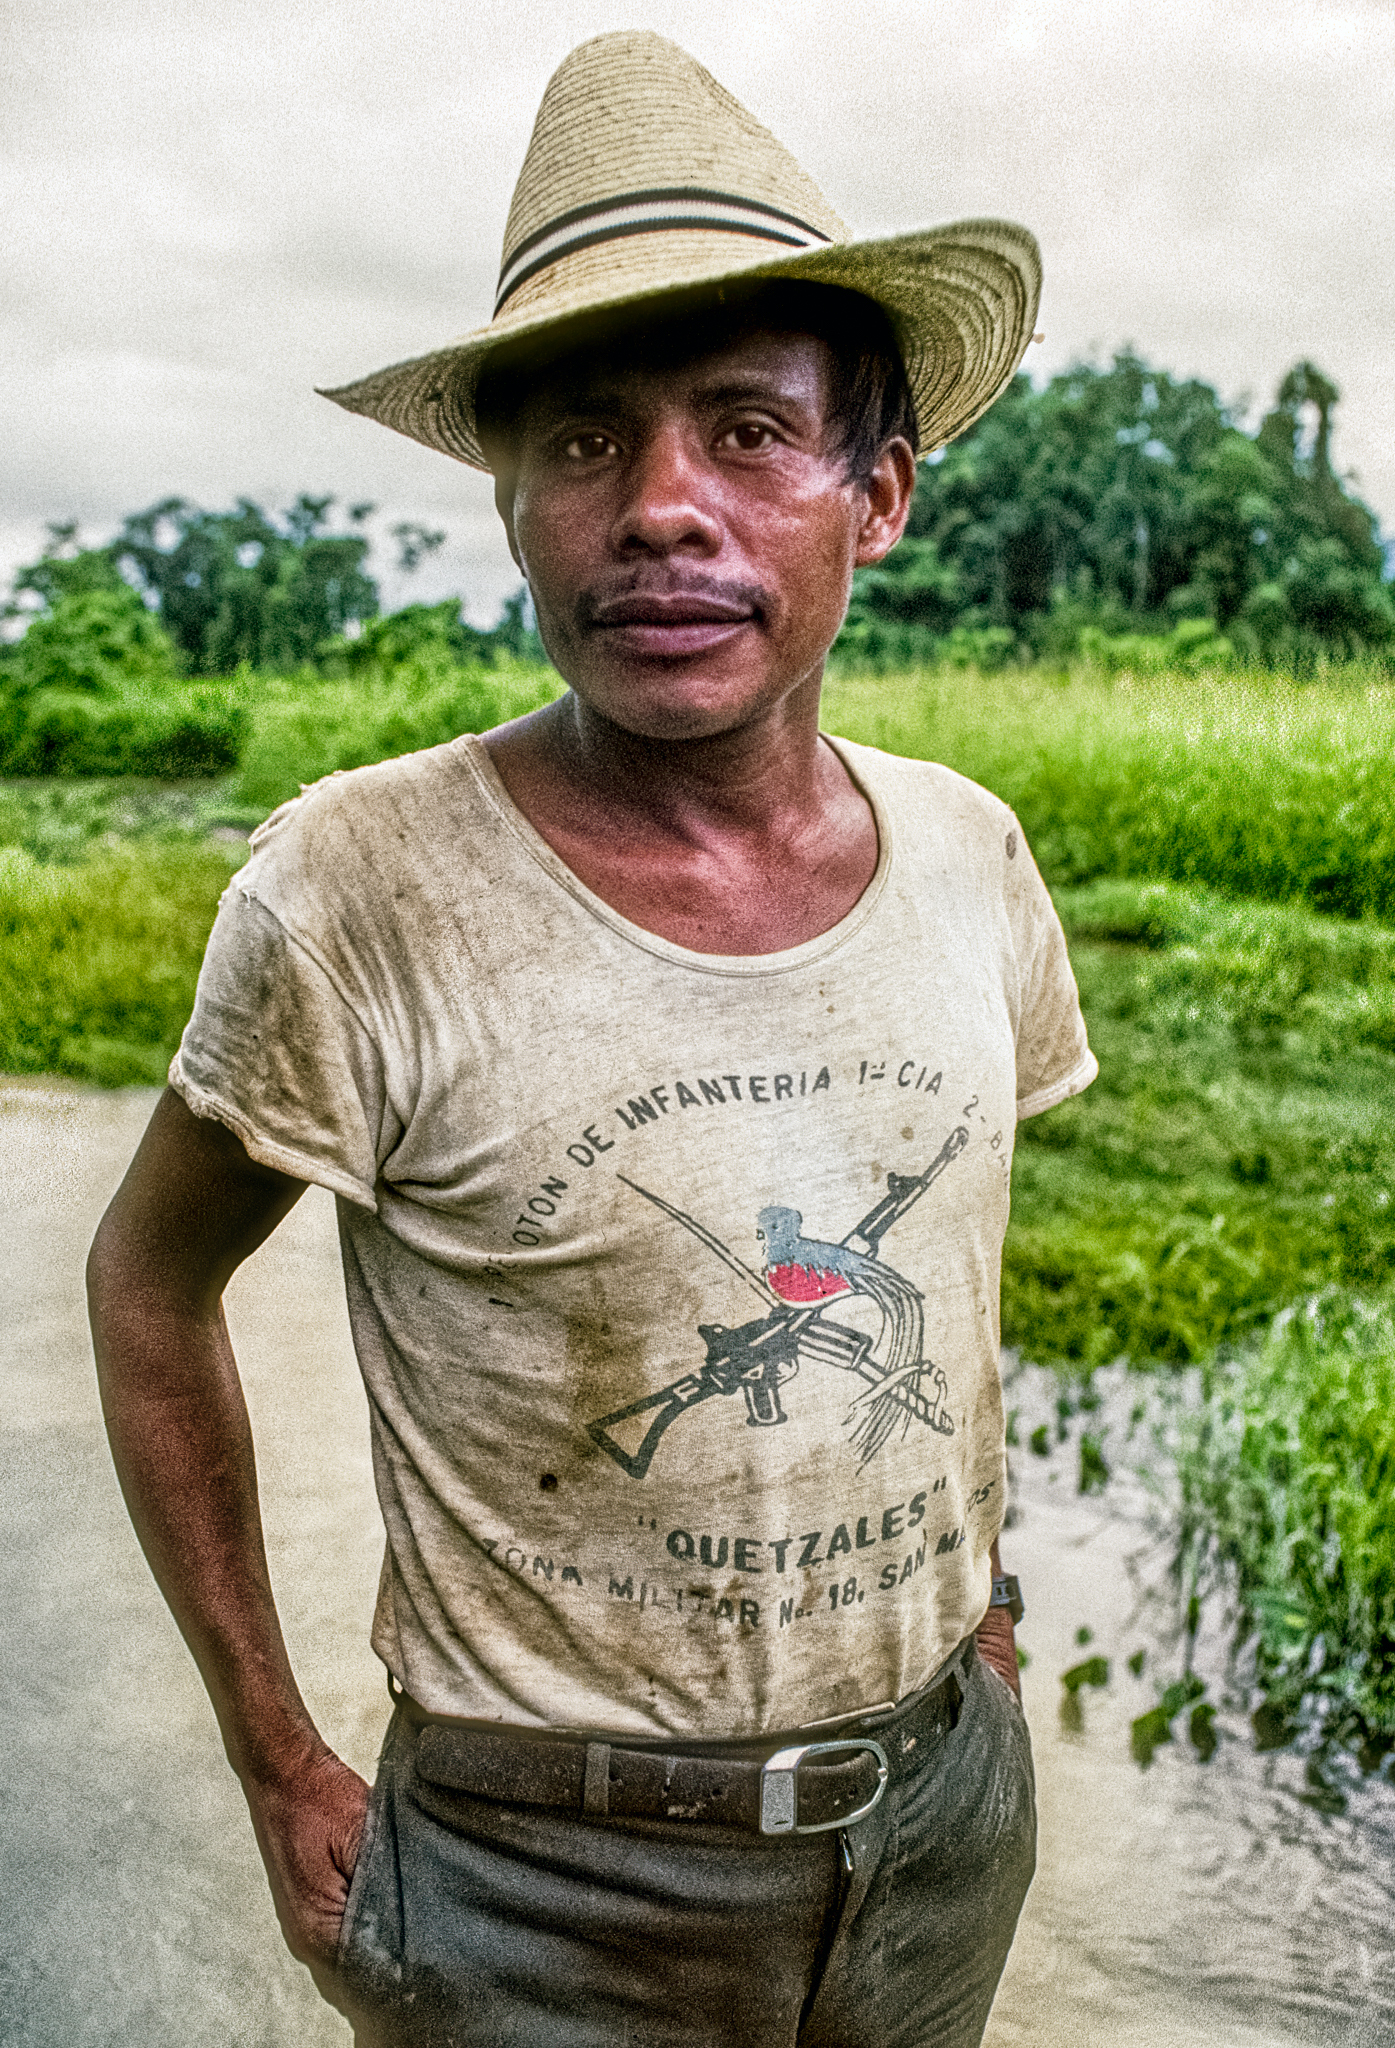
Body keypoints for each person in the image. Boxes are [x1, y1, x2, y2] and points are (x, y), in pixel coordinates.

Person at [88, 31, 1096, 2047]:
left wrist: (977, 1618)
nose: (656, 510)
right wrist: (279, 1756)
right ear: (512, 503)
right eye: (579, 442)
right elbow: (146, 1282)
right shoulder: (353, 889)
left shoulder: (973, 861)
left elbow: (957, 1283)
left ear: (873, 491)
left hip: (935, 1824)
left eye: (745, 431)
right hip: (534, 1888)